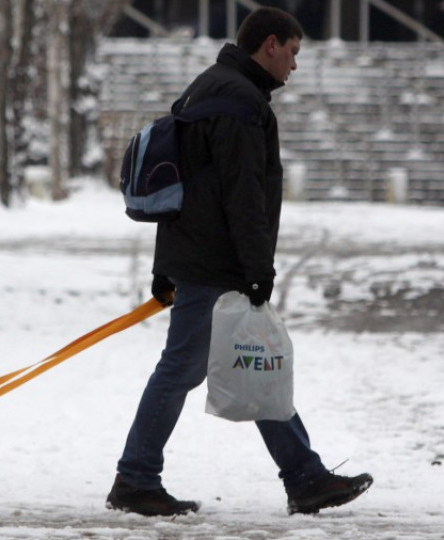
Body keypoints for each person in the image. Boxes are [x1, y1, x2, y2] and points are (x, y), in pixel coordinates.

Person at [107, 8, 372, 517]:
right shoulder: (238, 101)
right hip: (215, 263)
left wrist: (168, 266)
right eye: (292, 52)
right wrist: (257, 269)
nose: (294, 65)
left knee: (254, 362)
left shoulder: (210, 87)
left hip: (201, 257)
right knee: (189, 368)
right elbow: (242, 192)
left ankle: (305, 477)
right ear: (269, 44)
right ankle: (136, 479)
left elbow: (187, 189)